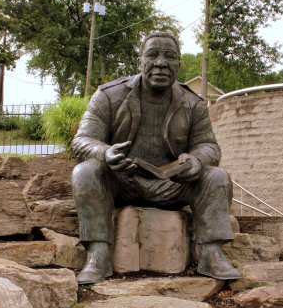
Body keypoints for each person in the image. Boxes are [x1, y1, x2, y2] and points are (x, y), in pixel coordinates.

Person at [71, 31, 242, 284]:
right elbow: (82, 140)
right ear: (140, 62)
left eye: (169, 57)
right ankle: (98, 254)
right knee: (85, 171)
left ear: (178, 64)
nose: (160, 63)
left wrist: (196, 161)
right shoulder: (109, 95)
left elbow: (209, 146)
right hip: (122, 182)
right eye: (152, 55)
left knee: (217, 176)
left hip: (172, 185)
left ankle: (212, 254)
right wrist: (105, 153)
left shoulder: (193, 103)